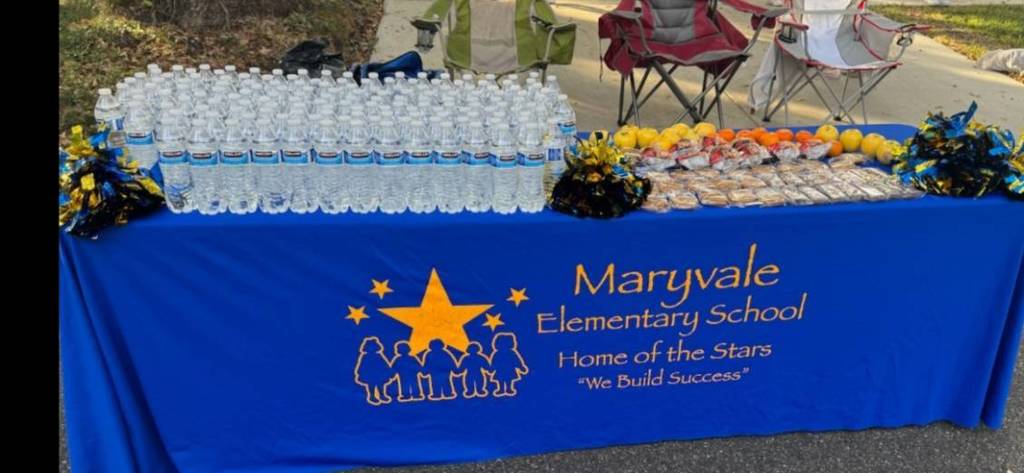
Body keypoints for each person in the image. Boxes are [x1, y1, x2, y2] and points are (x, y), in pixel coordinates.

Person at [354, 337, 396, 405]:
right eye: (370, 347)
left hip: (379, 374)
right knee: (371, 386)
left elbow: (384, 364)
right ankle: (372, 396)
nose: (372, 349)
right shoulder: (365, 356)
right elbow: (362, 365)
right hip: (370, 374)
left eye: (373, 347)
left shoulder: (379, 355)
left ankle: (382, 395)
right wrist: (359, 373)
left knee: (381, 385)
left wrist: (389, 371)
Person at [489, 332, 528, 397]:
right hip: (500, 370)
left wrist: (521, 367)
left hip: (509, 369)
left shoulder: (511, 353)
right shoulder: (497, 354)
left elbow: (516, 361)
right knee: (501, 380)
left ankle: (509, 389)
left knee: (508, 380)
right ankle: (501, 389)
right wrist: (492, 369)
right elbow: (494, 362)